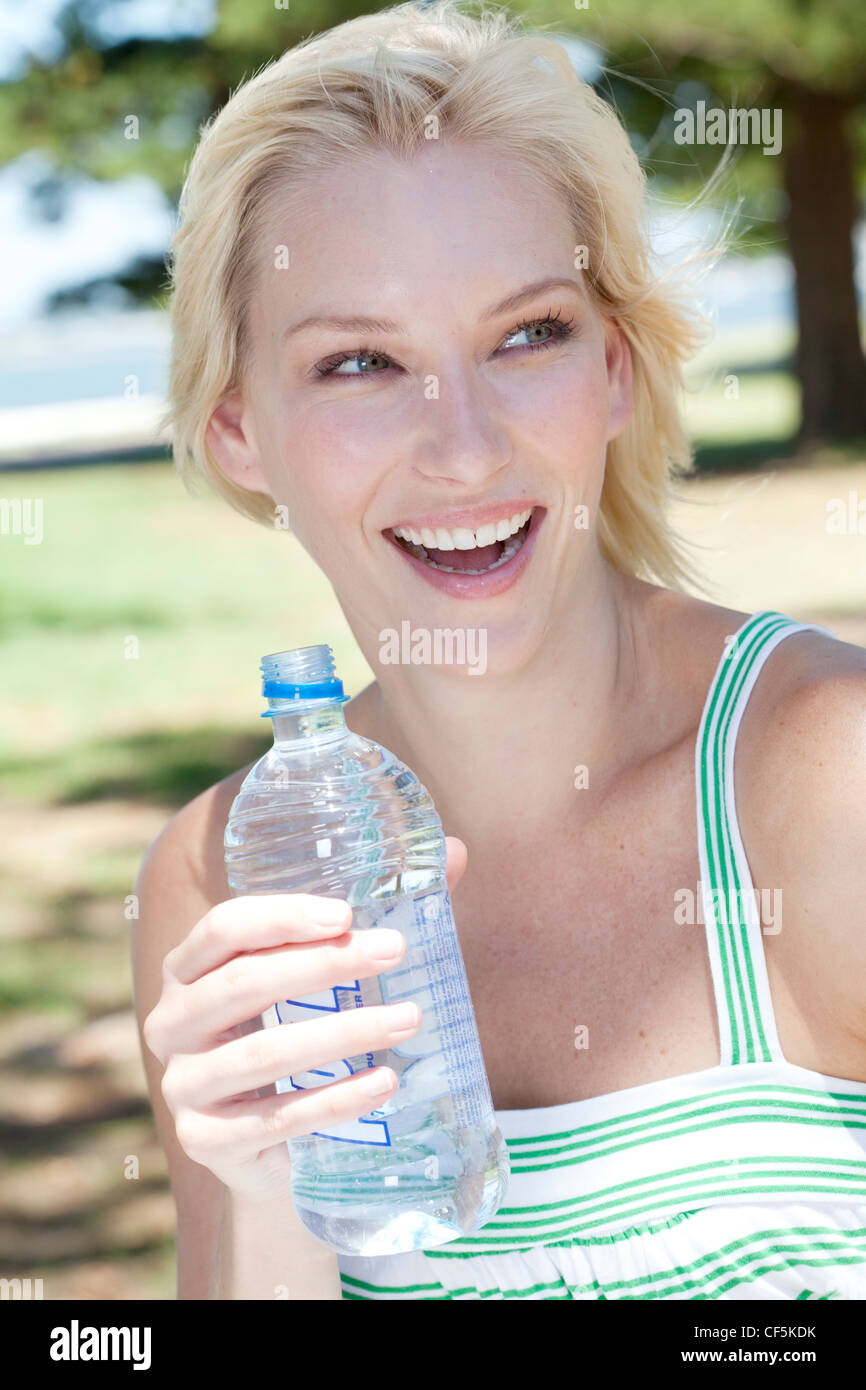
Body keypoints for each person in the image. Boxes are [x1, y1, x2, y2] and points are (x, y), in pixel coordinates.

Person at [133, 0, 866, 1300]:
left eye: (527, 335)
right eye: (360, 361)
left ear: (616, 372)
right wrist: (265, 1197)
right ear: (243, 428)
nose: (462, 446)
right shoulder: (223, 877)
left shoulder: (826, 776)